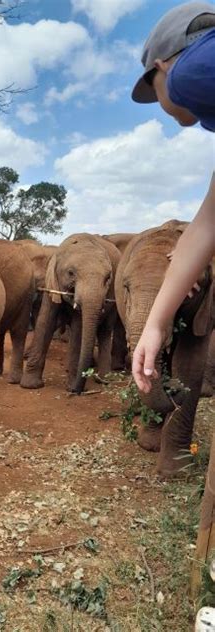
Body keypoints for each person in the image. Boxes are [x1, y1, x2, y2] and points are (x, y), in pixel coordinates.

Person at [131, 1, 215, 392]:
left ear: (161, 66)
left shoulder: (187, 75)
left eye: (153, 90)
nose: (160, 106)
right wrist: (156, 324)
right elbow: (205, 225)